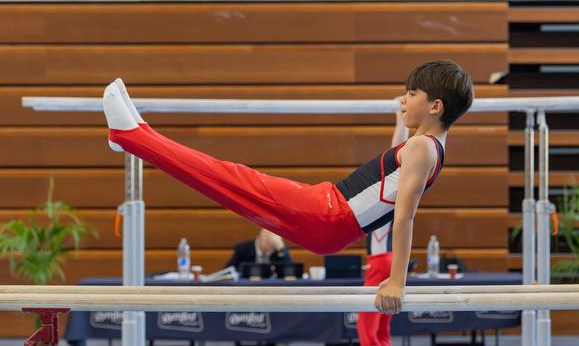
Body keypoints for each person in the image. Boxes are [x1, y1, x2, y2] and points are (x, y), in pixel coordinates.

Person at [101, 60, 474, 314]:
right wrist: (402, 121)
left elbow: (405, 217)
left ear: (436, 106)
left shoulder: (423, 148)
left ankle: (131, 136)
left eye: (412, 94)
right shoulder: (426, 144)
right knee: (225, 179)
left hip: (328, 214)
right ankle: (137, 137)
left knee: (226, 176)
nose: (404, 99)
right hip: (327, 212)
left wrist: (397, 283)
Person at [350, 111, 407, 346]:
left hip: (379, 265)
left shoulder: (387, 199)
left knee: (367, 332)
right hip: (387, 262)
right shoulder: (398, 200)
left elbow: (397, 153)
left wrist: (400, 121)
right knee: (381, 333)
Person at [226, 228, 292, 270]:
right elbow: (229, 272)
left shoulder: (277, 250)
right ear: (260, 239)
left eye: (273, 246)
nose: (271, 251)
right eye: (268, 244)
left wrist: (281, 249)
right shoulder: (243, 249)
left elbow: (290, 272)